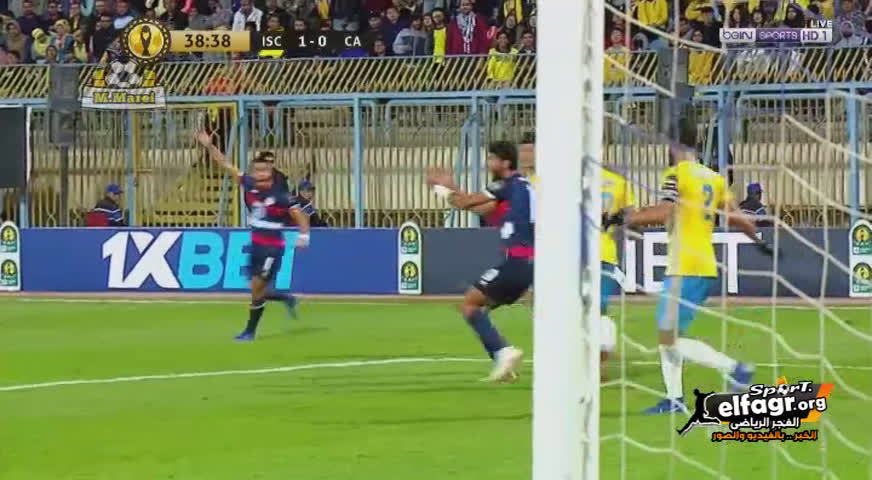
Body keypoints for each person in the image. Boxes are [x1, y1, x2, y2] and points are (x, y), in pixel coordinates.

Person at [603, 118, 773, 414]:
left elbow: (666, 210)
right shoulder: (713, 178)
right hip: (704, 264)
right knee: (668, 336)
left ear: (671, 144)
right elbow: (735, 216)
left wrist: (622, 218)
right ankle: (674, 399)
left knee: (667, 338)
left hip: (685, 265)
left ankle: (734, 368)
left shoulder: (677, 174)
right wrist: (758, 240)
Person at [427, 141, 531, 382]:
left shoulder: (505, 185)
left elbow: (465, 203)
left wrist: (440, 188)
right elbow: (480, 208)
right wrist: (453, 188)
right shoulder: (523, 190)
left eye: (492, 159)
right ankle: (503, 362)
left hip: (516, 261)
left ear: (506, 163)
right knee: (476, 309)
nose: (488, 163)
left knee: (471, 304)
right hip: (530, 263)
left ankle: (503, 352)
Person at [195, 131, 310, 342]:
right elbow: (225, 164)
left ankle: (250, 331)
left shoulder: (281, 195)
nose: (260, 174)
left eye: (264, 170)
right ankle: (285, 298)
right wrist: (209, 146)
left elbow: (300, 215)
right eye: (257, 170)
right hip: (256, 246)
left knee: (257, 288)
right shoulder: (249, 185)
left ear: (271, 172)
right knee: (255, 288)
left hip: (272, 248)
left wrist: (304, 236)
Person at [599, 168, 634, 381]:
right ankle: (598, 362)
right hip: (604, 254)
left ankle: (597, 362)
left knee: (590, 310)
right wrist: (617, 219)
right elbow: (631, 215)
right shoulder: (618, 181)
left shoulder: (571, 177)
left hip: (582, 253)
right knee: (596, 310)